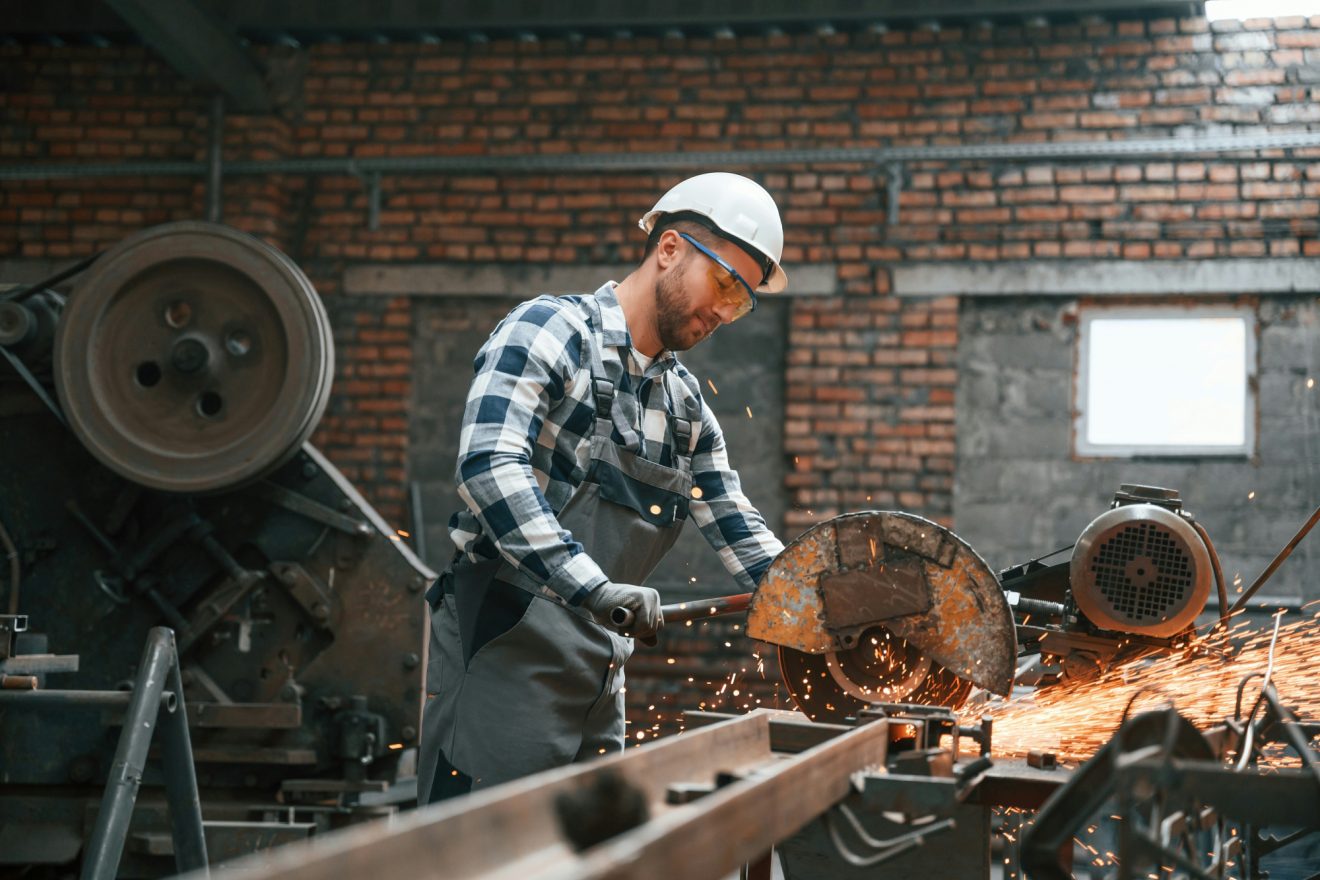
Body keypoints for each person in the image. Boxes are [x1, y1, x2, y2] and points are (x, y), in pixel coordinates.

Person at [418, 172, 789, 804]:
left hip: (599, 672)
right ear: (669, 249)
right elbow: (488, 466)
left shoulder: (684, 407)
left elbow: (737, 525)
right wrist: (593, 588)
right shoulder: (552, 331)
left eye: (742, 301)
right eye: (725, 283)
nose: (726, 311)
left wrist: (818, 602)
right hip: (504, 650)